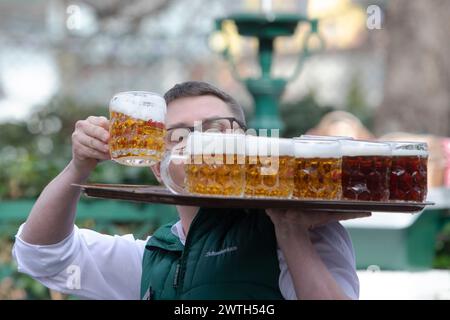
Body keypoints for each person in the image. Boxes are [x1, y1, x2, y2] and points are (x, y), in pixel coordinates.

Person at [12, 81, 367, 300]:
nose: (201, 145)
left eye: (216, 129)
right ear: (156, 164)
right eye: (180, 136)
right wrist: (79, 165)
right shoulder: (151, 258)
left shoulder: (298, 229)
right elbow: (41, 255)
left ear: (247, 143)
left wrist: (289, 229)